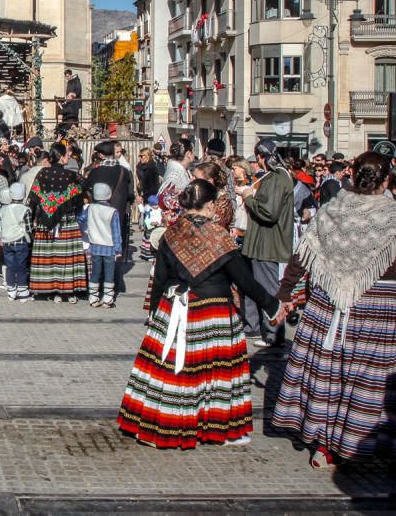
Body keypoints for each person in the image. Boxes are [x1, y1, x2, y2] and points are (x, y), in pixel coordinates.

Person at [117, 179, 286, 449]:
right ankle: (217, 427)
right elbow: (244, 280)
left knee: (175, 370)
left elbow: (160, 278)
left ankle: (167, 422)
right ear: (209, 205)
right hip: (214, 312)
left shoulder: (172, 233)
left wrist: (154, 312)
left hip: (175, 308)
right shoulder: (219, 236)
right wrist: (271, 305)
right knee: (217, 373)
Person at [271, 151, 396, 468]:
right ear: (387, 180)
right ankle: (362, 443)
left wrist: (286, 293)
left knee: (330, 375)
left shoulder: (334, 212)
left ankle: (324, 447)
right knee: (370, 378)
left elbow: (303, 255)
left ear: (353, 178)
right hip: (380, 306)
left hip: (331, 304)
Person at [235, 138, 293, 348]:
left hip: (268, 242)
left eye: (258, 159)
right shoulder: (272, 176)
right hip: (260, 241)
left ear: (262, 157)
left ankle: (274, 334)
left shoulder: (278, 178)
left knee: (269, 288)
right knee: (257, 285)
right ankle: (261, 328)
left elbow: (269, 212)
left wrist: (249, 197)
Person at [27, 142, 88, 303]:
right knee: (65, 257)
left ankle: (47, 289)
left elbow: (34, 198)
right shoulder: (70, 176)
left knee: (49, 256)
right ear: (61, 157)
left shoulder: (42, 174)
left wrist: (34, 218)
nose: (69, 156)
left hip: (45, 222)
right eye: (67, 154)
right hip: (66, 222)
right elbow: (78, 200)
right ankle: (67, 290)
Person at [84, 141, 133, 260]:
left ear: (101, 155)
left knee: (99, 240)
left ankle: (99, 271)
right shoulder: (124, 171)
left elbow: (85, 188)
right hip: (117, 211)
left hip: (99, 213)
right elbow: (130, 194)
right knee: (115, 240)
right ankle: (115, 271)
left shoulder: (95, 171)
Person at [79, 182, 122, 308]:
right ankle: (108, 298)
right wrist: (118, 248)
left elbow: (80, 219)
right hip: (109, 248)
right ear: (109, 195)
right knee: (109, 273)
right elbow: (116, 232)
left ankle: (93, 297)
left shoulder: (90, 208)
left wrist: (85, 231)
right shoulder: (113, 212)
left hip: (94, 246)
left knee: (95, 272)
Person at [0, 182, 33, 301]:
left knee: (10, 266)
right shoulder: (25, 210)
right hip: (20, 241)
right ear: (23, 195)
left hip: (6, 242)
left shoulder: (2, 210)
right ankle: (23, 292)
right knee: (21, 267)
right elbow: (29, 228)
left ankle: (11, 291)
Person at [193, 161, 234, 231]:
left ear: (210, 181)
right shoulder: (202, 196)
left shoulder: (222, 202)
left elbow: (215, 227)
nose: (192, 180)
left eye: (196, 178)